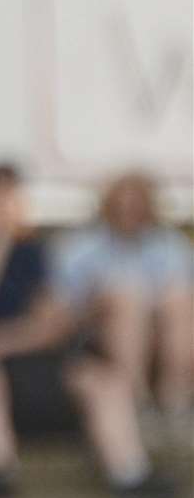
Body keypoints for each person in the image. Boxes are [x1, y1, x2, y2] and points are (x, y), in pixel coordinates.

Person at [0, 163, 175, 498]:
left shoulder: (41, 254)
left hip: (35, 362)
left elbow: (54, 325)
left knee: (105, 381)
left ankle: (129, 473)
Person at [52, 170, 194, 449]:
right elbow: (61, 313)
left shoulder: (171, 246)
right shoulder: (79, 248)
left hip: (162, 337)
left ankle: (175, 403)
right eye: (122, 206)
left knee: (178, 298)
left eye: (137, 207)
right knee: (127, 299)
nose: (129, 213)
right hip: (96, 339)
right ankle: (137, 406)